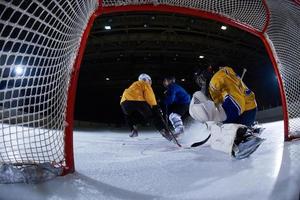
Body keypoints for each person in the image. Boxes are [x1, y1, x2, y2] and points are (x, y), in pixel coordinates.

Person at [189, 66, 264, 159]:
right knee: (221, 121)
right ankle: (250, 128)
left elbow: (237, 103)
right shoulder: (226, 72)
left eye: (200, 80)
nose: (201, 83)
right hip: (251, 109)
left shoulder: (214, 81)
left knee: (221, 126)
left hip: (240, 108)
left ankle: (244, 137)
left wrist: (222, 124)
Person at [120, 73, 174, 141]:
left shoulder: (134, 84)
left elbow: (133, 95)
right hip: (137, 100)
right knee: (154, 116)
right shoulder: (145, 84)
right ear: (148, 80)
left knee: (128, 115)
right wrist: (155, 107)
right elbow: (150, 96)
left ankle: (133, 129)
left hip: (124, 102)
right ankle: (164, 131)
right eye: (150, 81)